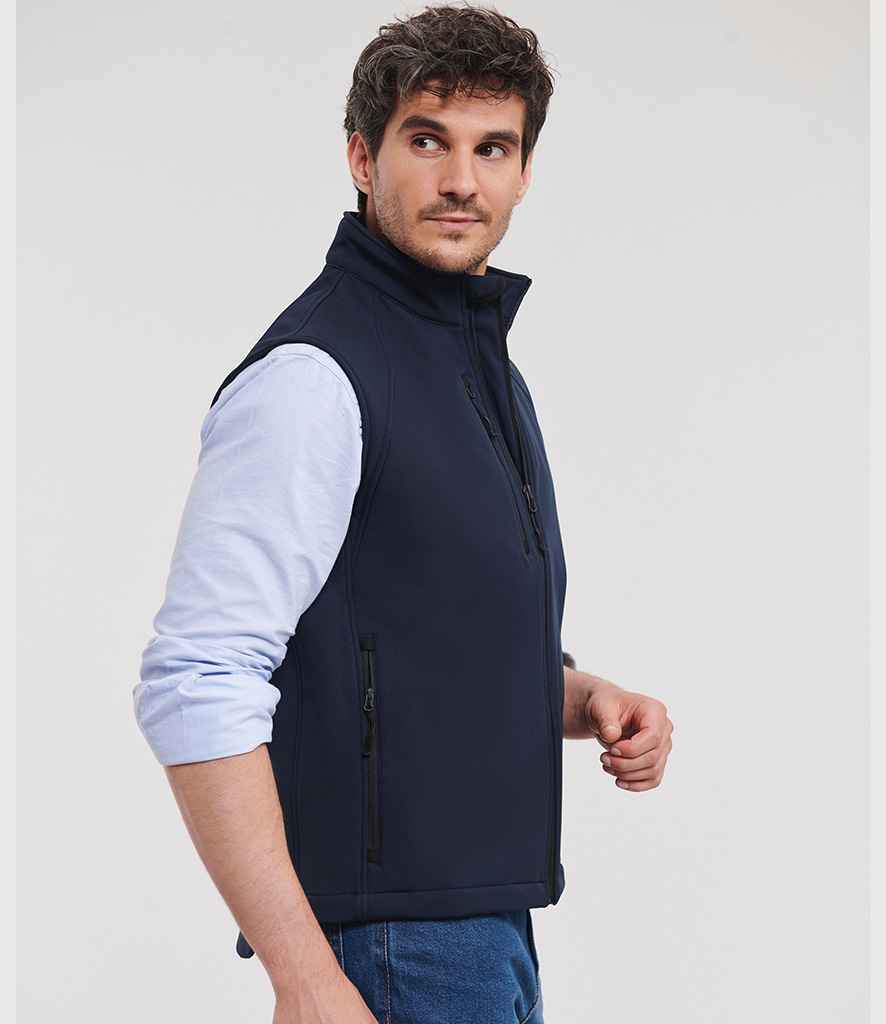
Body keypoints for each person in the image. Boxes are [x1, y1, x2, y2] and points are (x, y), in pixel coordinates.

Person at [133, 5, 674, 1022]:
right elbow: (197, 678)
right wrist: (304, 976)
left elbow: (410, 652)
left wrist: (580, 694)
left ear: (524, 171)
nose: (461, 179)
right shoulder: (314, 377)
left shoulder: (480, 369)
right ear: (361, 157)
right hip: (389, 949)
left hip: (485, 928)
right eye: (427, 141)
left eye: (492, 147)